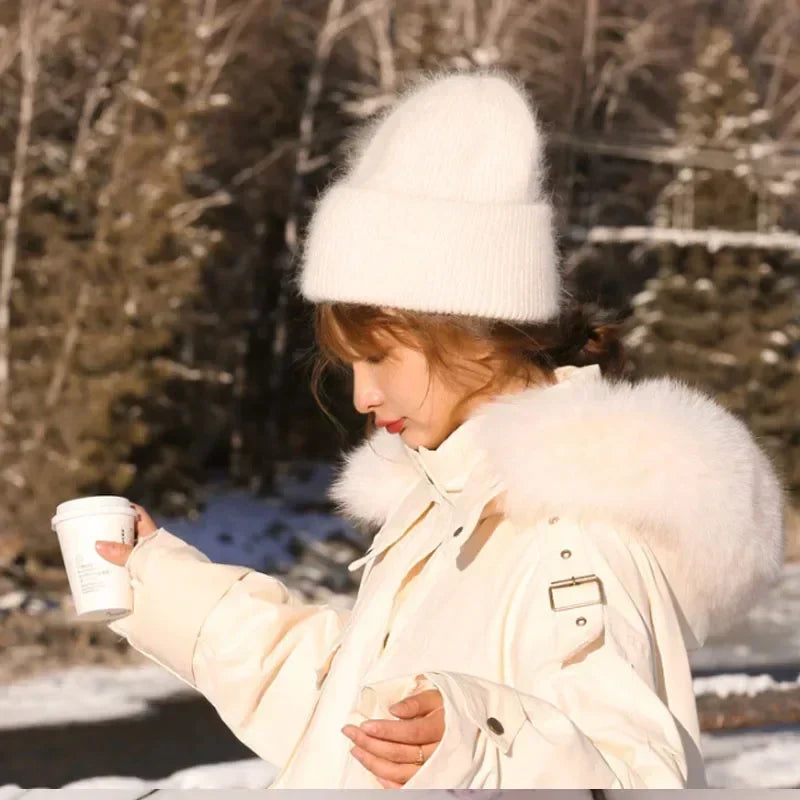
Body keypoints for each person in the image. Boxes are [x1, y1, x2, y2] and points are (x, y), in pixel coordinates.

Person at [96, 70, 786, 788]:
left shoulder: (570, 537)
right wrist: (158, 581)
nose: (362, 395)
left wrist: (475, 743)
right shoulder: (451, 506)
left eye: (379, 356)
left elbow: (632, 776)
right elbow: (354, 728)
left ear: (472, 333)